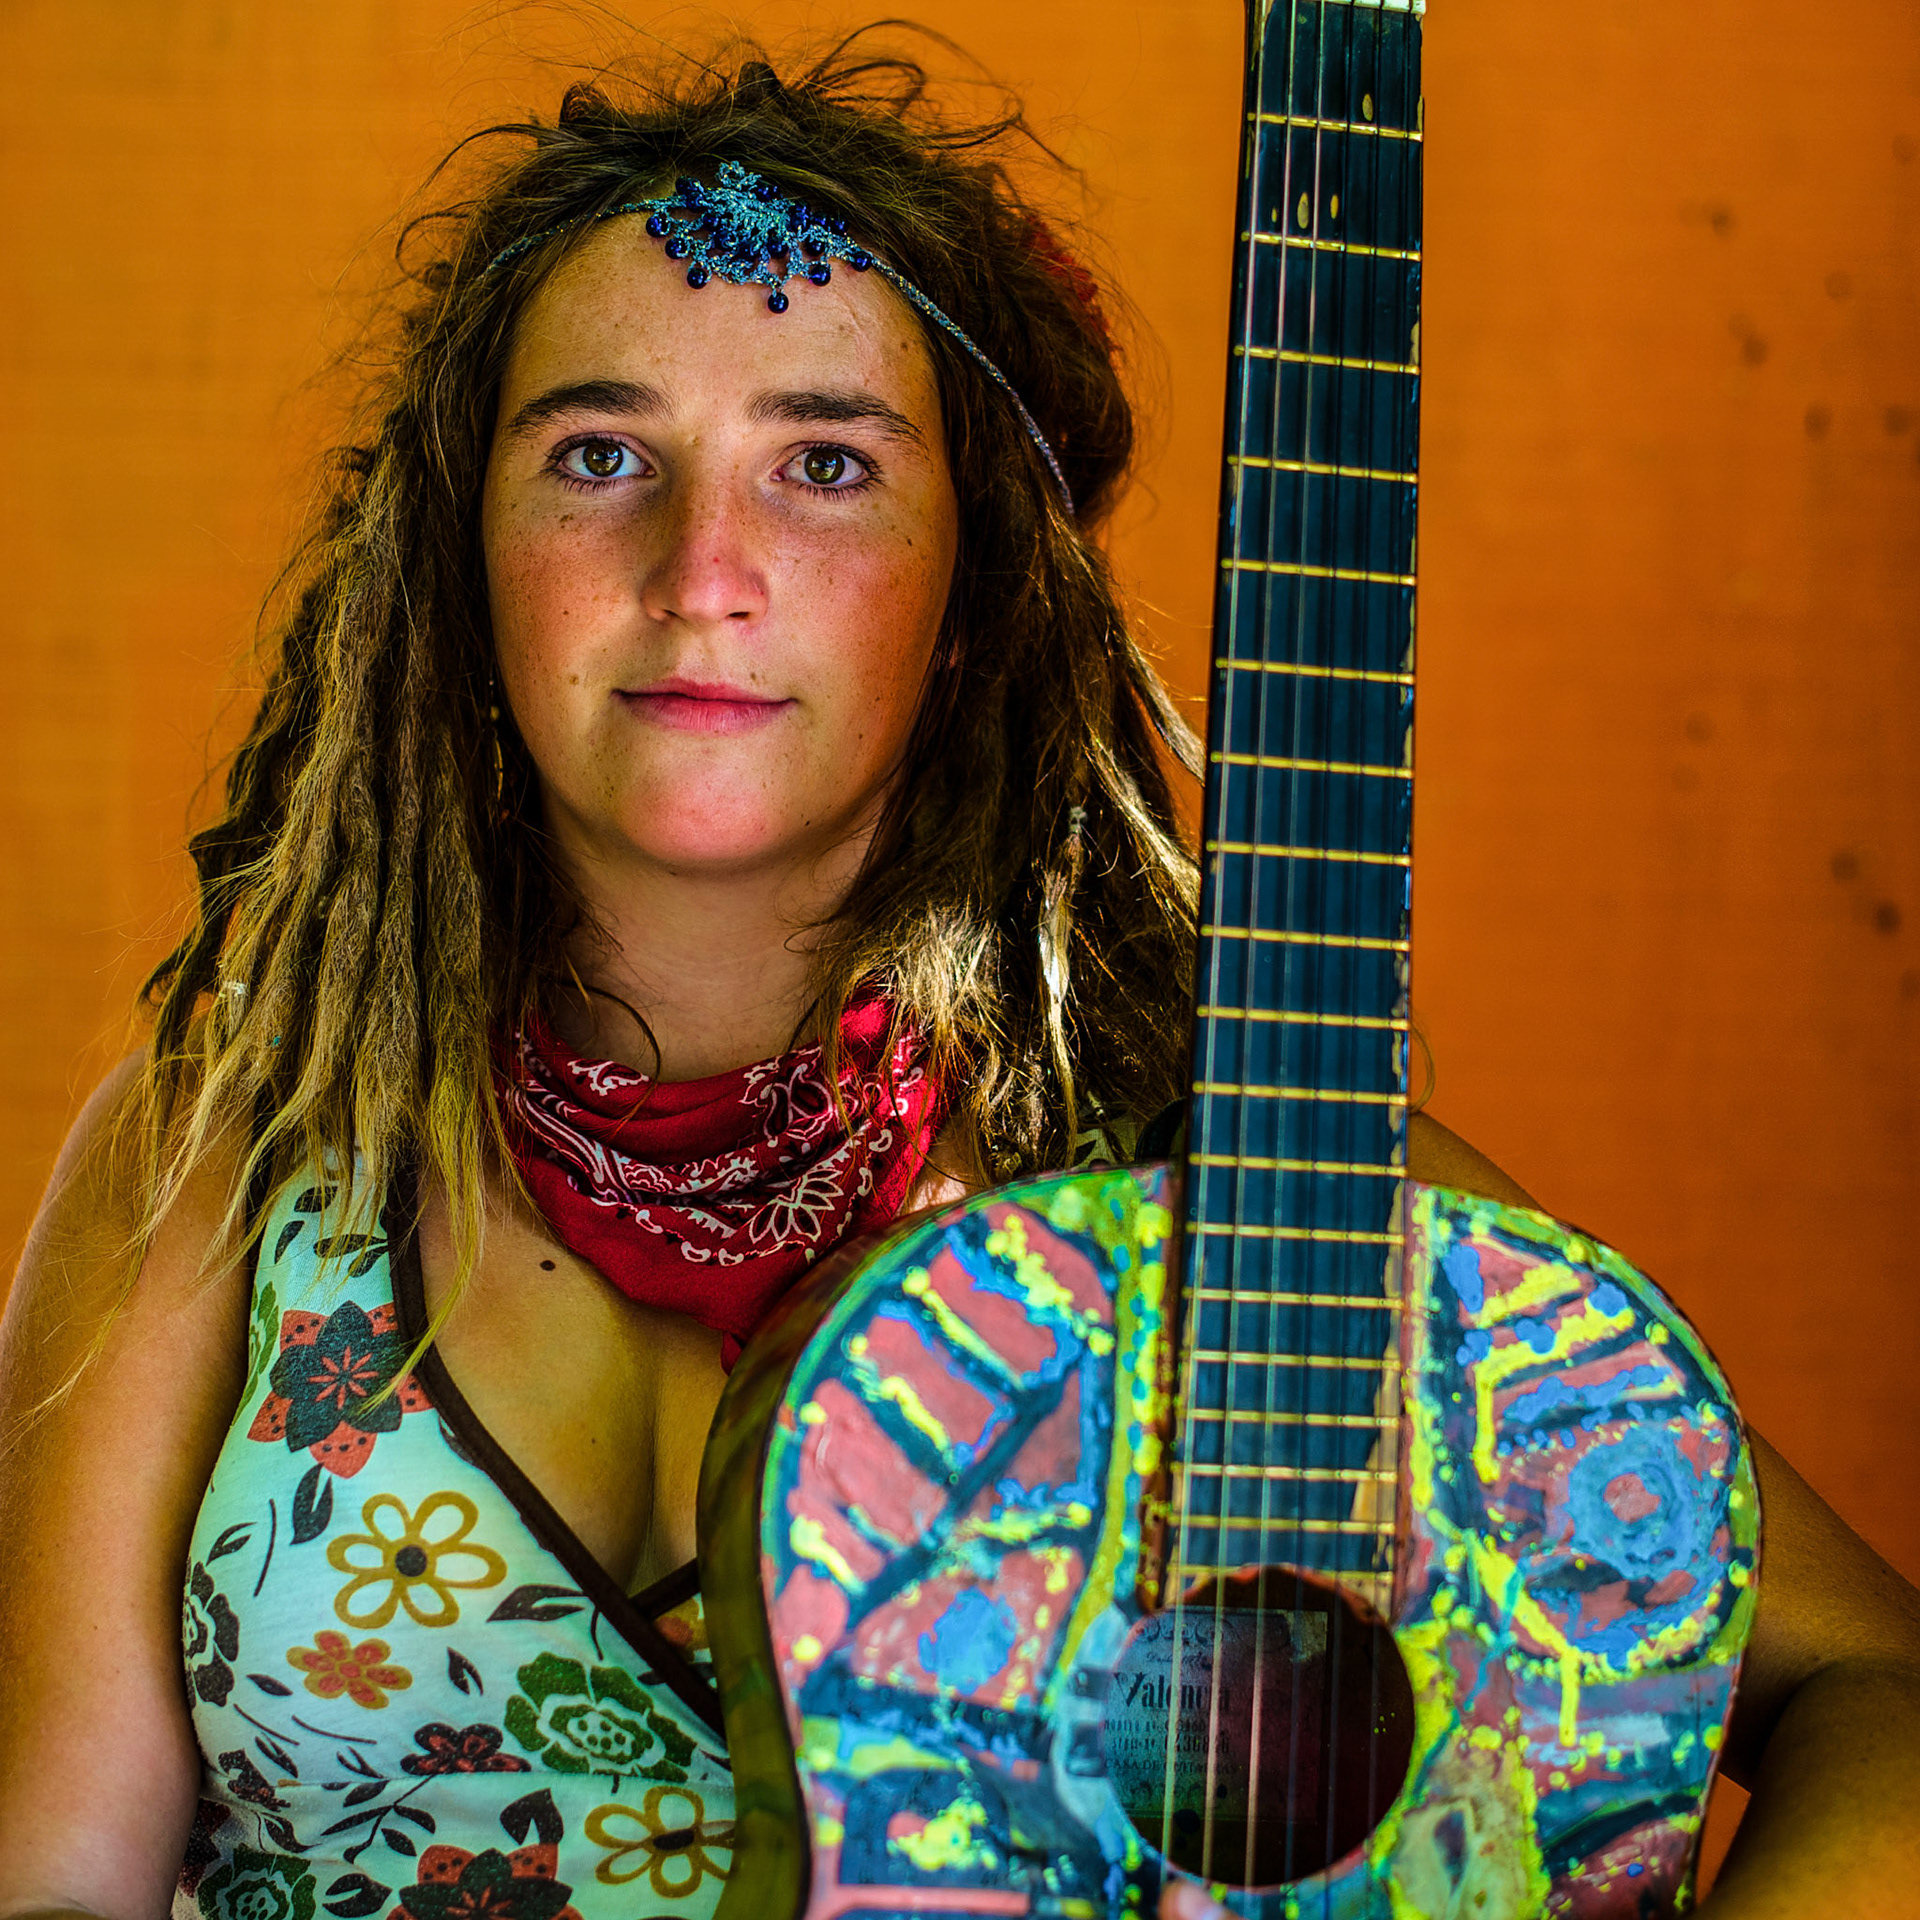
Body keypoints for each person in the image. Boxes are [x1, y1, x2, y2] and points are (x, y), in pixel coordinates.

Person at [0, 36, 1914, 1920]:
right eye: (601, 454)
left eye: (825, 464)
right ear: (459, 550)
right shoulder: (235, 1153)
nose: (703, 569)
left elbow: (1885, 1698)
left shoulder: (1273, 1203)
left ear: (974, 587)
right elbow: (51, 1877)